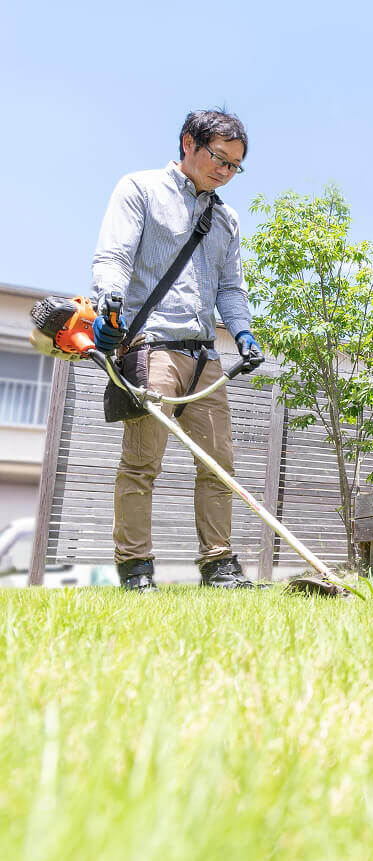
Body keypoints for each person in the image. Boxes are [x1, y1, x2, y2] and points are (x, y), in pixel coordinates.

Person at [92, 109, 263, 591]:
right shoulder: (140, 189)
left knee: (218, 465)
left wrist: (244, 333)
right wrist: (108, 306)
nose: (225, 171)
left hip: (205, 357)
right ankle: (136, 569)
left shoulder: (225, 219)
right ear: (188, 142)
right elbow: (115, 257)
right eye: (219, 158)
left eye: (235, 165)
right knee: (142, 463)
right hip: (153, 348)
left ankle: (219, 565)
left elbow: (230, 289)